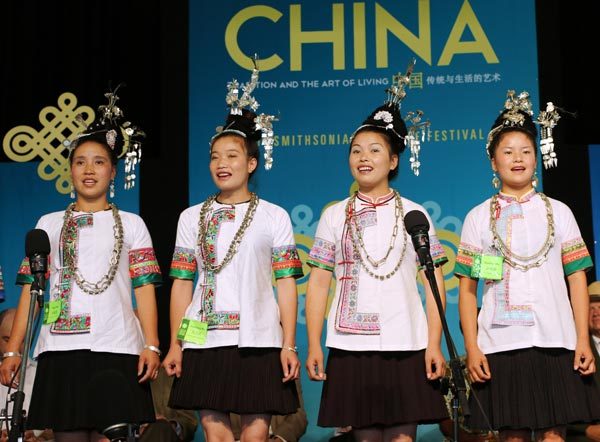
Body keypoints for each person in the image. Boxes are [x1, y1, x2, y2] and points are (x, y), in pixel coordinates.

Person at [0, 89, 162, 442]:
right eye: (80, 162)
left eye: (99, 162)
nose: (89, 170)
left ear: (113, 171)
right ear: (71, 169)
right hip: (61, 350)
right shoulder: (48, 223)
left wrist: (151, 344)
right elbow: (31, 290)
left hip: (117, 346)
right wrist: (13, 349)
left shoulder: (132, 224)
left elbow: (145, 288)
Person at [305, 60, 448, 442]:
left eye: (374, 150)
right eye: (356, 150)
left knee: (403, 438)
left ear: (394, 160)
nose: (363, 157)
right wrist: (314, 341)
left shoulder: (415, 214)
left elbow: (433, 281)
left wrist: (434, 343)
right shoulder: (334, 215)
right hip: (350, 345)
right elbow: (318, 283)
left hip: (407, 340)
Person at [164, 61, 303, 442]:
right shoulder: (191, 216)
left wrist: (288, 344)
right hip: (204, 340)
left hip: (258, 339)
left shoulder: (274, 215)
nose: (221, 164)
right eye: (215, 156)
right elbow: (182, 283)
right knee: (216, 436)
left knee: (254, 437)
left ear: (252, 163)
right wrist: (176, 343)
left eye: (231, 155)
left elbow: (286, 284)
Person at [456, 90, 600, 441]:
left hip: (556, 339)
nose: (517, 158)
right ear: (493, 162)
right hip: (501, 342)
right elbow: (468, 289)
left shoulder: (559, 212)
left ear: (536, 157)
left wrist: (582, 339)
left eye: (525, 151)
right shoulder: (479, 218)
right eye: (507, 152)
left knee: (554, 435)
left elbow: (577, 279)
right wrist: (473, 347)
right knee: (513, 435)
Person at [567, 281, 600, 442]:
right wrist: (586, 430)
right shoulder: (572, 352)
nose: (596, 313)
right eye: (591, 308)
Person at [229, 378, 308, 442]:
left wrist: (279, 439)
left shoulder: (287, 369)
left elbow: (299, 417)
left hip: (277, 438)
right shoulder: (231, 369)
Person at [139, 366, 198, 442]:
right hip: (132, 434)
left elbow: (189, 421)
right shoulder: (129, 371)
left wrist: (171, 425)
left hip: (166, 433)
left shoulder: (175, 372)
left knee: (160, 426)